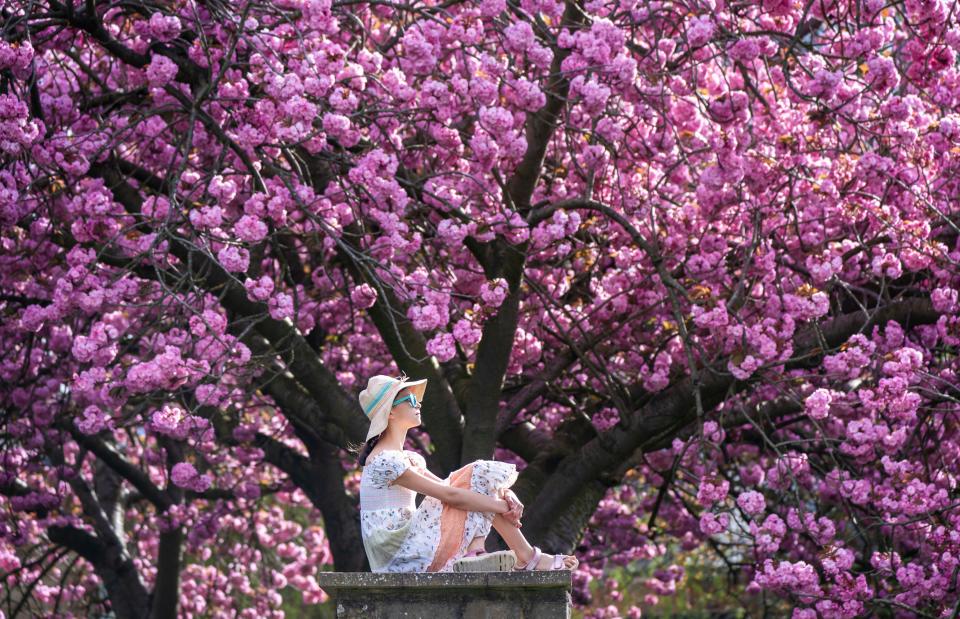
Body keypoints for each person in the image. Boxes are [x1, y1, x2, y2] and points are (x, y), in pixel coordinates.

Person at [356, 374, 579, 573]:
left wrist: (506, 494)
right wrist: (501, 507)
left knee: (478, 474)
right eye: (410, 400)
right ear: (391, 412)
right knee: (478, 473)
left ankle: (478, 552)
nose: (418, 404)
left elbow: (455, 487)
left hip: (409, 545)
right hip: (399, 559)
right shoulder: (385, 460)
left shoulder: (405, 458)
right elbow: (451, 496)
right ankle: (523, 556)